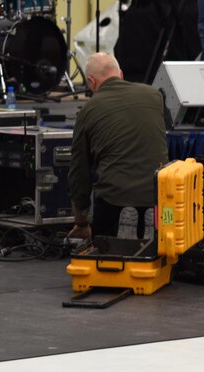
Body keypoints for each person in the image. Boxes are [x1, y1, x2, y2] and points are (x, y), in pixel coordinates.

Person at [67, 52, 169, 240]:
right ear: (120, 74)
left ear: (91, 81)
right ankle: (153, 227)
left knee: (106, 228)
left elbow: (79, 172)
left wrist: (81, 222)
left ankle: (117, 236)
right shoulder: (153, 95)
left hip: (115, 201)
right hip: (159, 197)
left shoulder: (88, 110)